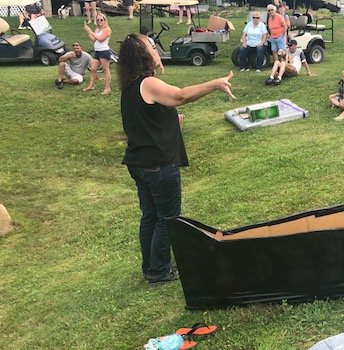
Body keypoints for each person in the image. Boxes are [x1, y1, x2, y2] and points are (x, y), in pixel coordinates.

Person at [118, 34, 235, 287]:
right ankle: (159, 272)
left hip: (140, 164)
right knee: (167, 218)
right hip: (158, 165)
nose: (156, 48)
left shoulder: (130, 86)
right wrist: (214, 83)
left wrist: (173, 119)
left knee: (150, 216)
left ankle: (151, 267)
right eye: (151, 46)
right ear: (142, 54)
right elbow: (180, 96)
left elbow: (146, 118)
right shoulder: (147, 83)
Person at [83, 13, 112, 95]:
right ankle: (91, 85)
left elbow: (100, 39)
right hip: (97, 51)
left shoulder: (107, 29)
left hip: (104, 51)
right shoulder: (97, 29)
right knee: (93, 69)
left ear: (105, 20)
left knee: (106, 70)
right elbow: (93, 39)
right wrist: (88, 32)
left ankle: (107, 88)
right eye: (98, 20)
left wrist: (90, 31)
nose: (99, 21)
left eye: (101, 20)